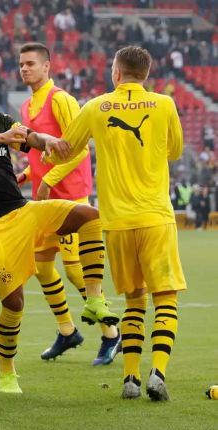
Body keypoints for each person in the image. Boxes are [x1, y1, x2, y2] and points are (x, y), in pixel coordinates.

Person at [49, 45, 185, 401]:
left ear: (116, 72)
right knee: (165, 297)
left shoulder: (96, 106)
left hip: (117, 223)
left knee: (134, 300)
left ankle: (130, 379)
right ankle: (157, 372)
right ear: (147, 73)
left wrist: (34, 146)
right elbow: (175, 151)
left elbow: (64, 148)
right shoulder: (165, 104)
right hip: (156, 217)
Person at [0, 75, 111, 394]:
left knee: (90, 216)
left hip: (23, 211)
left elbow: (28, 136)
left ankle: (95, 299)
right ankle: (6, 371)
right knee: (14, 304)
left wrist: (50, 142)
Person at [18, 42, 120, 363]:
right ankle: (67, 331)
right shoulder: (26, 106)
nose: (25, 69)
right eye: (21, 64)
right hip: (46, 201)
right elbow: (43, 154)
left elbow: (79, 146)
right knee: (42, 266)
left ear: (47, 66)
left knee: (77, 271)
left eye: (31, 63)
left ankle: (111, 334)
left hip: (71, 197)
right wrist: (26, 175)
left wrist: (48, 179)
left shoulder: (61, 99)